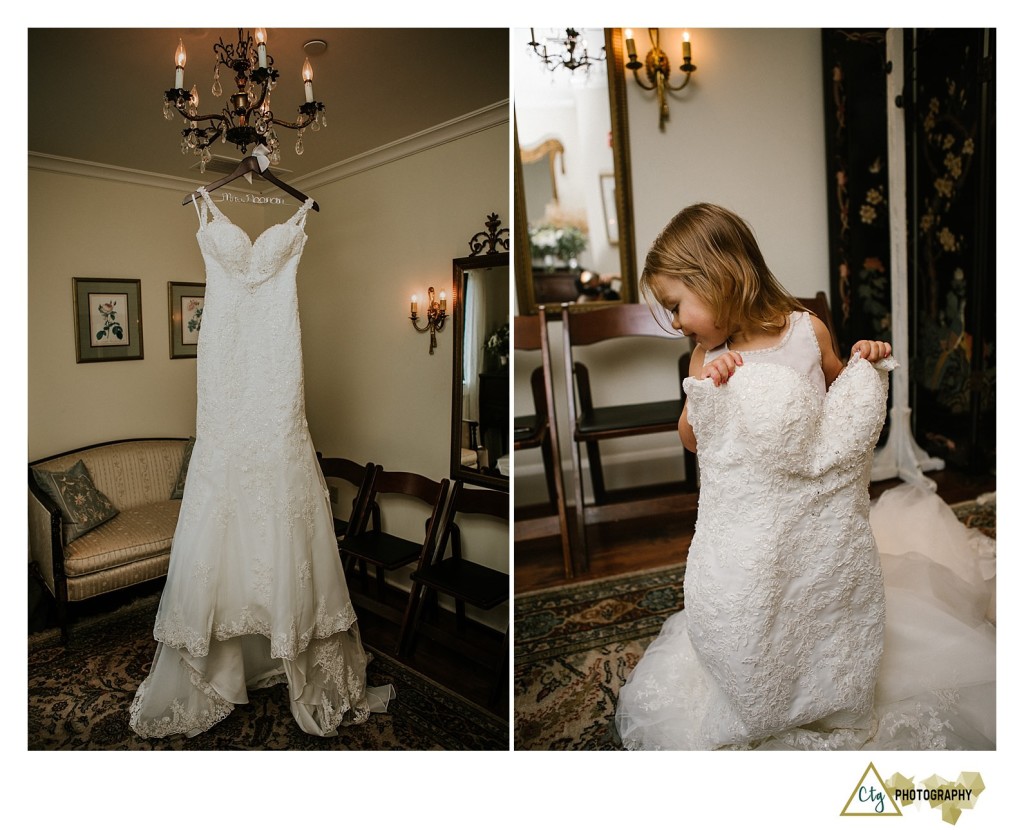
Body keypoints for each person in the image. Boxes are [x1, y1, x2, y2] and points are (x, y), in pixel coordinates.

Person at [614, 203, 995, 751]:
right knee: (757, 620)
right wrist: (710, 393)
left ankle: (827, 683)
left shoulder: (805, 331)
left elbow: (845, 403)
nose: (676, 321)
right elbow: (691, 439)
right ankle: (762, 689)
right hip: (750, 527)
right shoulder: (706, 355)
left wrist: (865, 359)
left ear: (718, 276)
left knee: (817, 607)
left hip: (814, 523)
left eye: (676, 305)